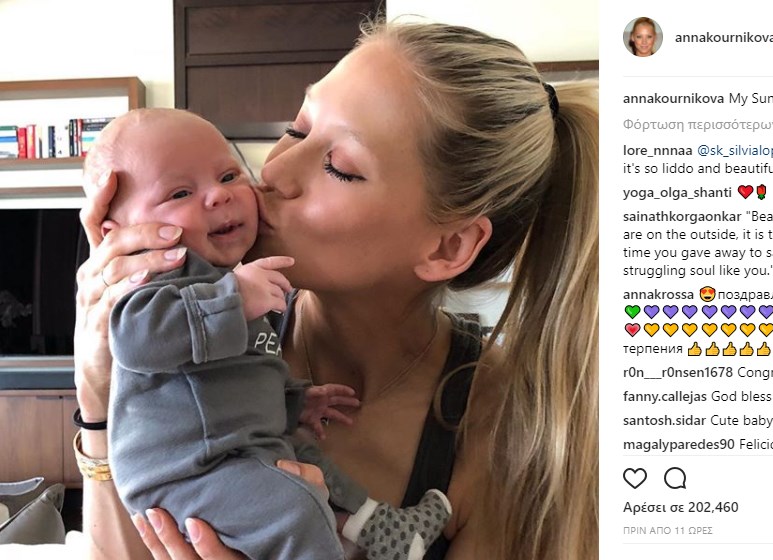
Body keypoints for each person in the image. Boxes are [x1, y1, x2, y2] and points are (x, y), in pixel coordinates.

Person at [74, 19, 598, 560]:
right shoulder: (206, 322)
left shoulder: (501, 426)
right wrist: (98, 387)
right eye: (298, 128)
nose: (275, 170)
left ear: (447, 247)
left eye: (340, 167)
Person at [82, 107, 453, 560]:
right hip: (188, 472)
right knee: (295, 507)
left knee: (309, 463)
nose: (221, 194)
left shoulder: (235, 284)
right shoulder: (167, 279)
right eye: (180, 192)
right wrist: (94, 394)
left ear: (448, 245)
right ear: (121, 234)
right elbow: (137, 340)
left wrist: (293, 399)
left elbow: (244, 371)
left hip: (238, 451)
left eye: (228, 175)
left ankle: (386, 530)